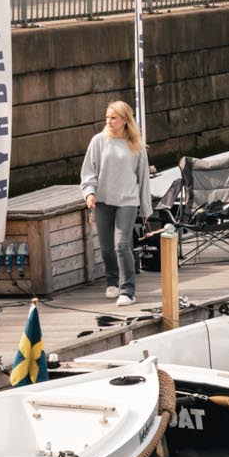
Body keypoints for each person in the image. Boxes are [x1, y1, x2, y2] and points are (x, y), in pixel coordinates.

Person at [81, 101, 147, 309]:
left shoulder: (136, 145)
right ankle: (112, 281)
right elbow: (88, 172)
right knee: (107, 248)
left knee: (122, 245)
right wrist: (89, 193)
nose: (108, 121)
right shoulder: (98, 142)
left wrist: (145, 209)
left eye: (113, 118)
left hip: (127, 201)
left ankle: (128, 291)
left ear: (125, 120)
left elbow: (143, 179)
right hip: (103, 201)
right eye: (107, 117)